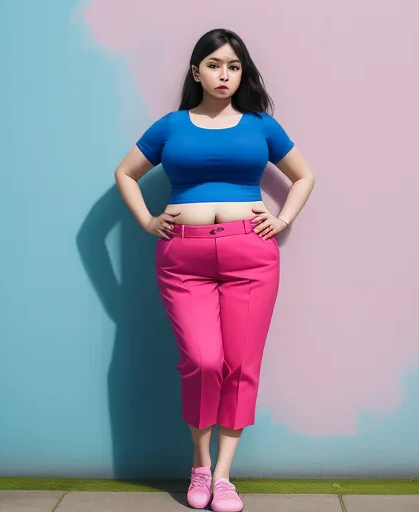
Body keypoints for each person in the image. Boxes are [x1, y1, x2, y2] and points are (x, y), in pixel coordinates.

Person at [114, 28, 315, 512]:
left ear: (241, 73)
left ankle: (224, 477)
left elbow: (304, 175)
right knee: (203, 362)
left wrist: (283, 218)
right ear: (196, 71)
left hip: (252, 255)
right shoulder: (171, 126)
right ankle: (199, 465)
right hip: (184, 258)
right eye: (215, 64)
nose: (224, 74)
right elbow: (125, 172)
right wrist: (147, 219)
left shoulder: (261, 125)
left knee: (241, 365)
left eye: (234, 66)